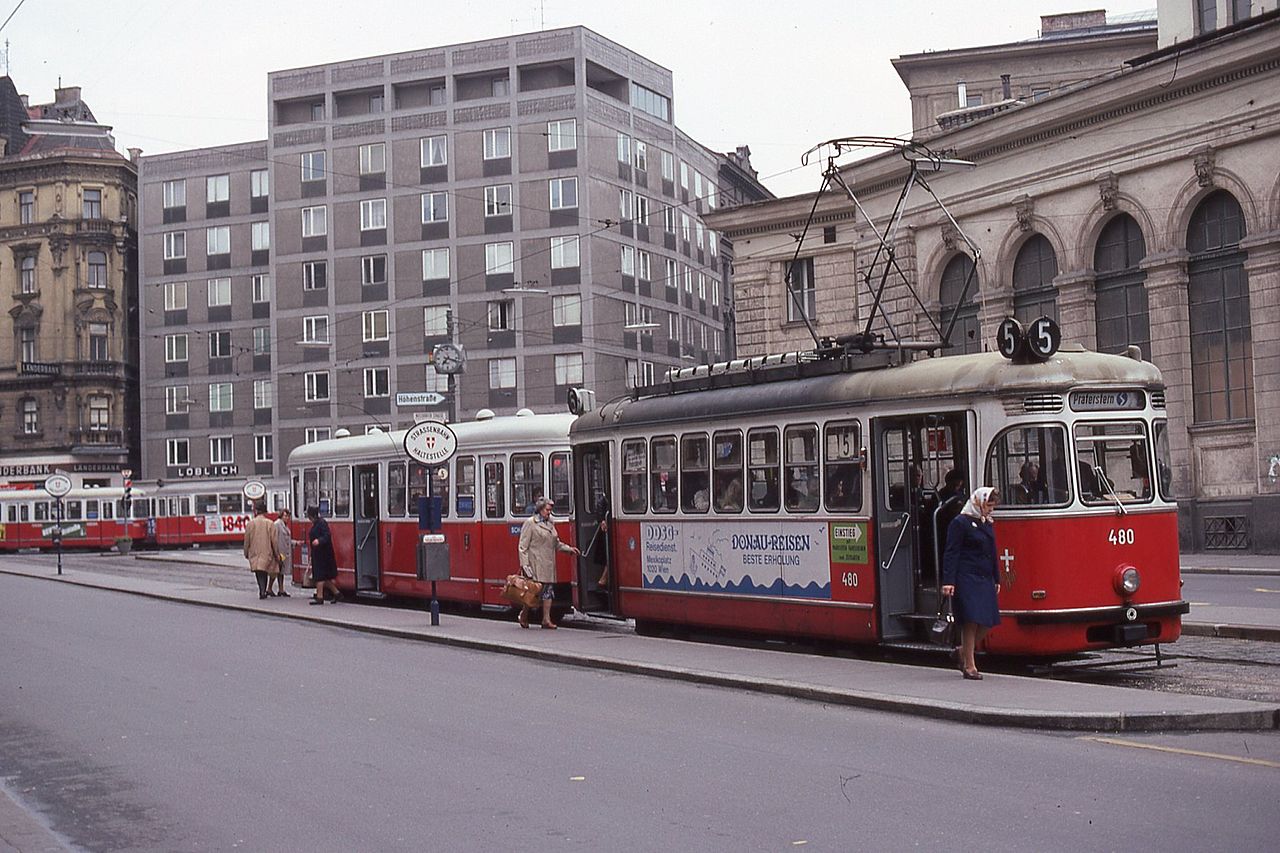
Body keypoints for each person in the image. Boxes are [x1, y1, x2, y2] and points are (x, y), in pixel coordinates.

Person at [941, 487, 1002, 680]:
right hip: (966, 577)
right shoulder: (960, 523)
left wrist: (997, 577)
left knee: (987, 620)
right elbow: (952, 552)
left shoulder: (985, 523)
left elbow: (993, 552)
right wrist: (949, 581)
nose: (990, 510)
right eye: (988, 506)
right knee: (971, 620)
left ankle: (962, 651)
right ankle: (970, 665)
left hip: (984, 577)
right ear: (979, 503)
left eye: (992, 507)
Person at [516, 496, 580, 629]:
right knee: (533, 592)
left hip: (549, 564)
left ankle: (546, 619)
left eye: (550, 510)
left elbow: (556, 543)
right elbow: (523, 547)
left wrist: (569, 549)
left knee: (548, 592)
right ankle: (524, 614)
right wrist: (525, 565)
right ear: (540, 509)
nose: (549, 512)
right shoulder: (530, 523)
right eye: (547, 510)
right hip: (535, 563)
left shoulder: (550, 523)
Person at [242, 501, 281, 600]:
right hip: (267, 551)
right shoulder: (270, 523)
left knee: (259, 572)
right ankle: (263, 590)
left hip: (254, 552)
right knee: (265, 571)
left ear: (257, 512)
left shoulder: (250, 524)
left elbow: (247, 540)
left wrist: (246, 552)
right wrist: (277, 554)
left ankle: (262, 590)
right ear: (265, 512)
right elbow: (274, 541)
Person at [306, 505, 339, 606]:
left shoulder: (321, 523)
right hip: (318, 554)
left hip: (323, 555)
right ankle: (337, 594)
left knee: (320, 577)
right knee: (325, 578)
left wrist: (318, 541)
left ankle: (320, 598)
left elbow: (327, 536)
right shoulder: (316, 524)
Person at [270, 508, 293, 597]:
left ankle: (281, 589)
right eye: (285, 516)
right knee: (275, 571)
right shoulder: (277, 524)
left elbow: (287, 539)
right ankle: (269, 588)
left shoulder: (284, 525)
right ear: (281, 516)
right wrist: (276, 552)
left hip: (284, 552)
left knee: (281, 571)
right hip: (279, 552)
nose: (287, 518)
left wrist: (295, 543)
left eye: (288, 516)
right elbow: (274, 538)